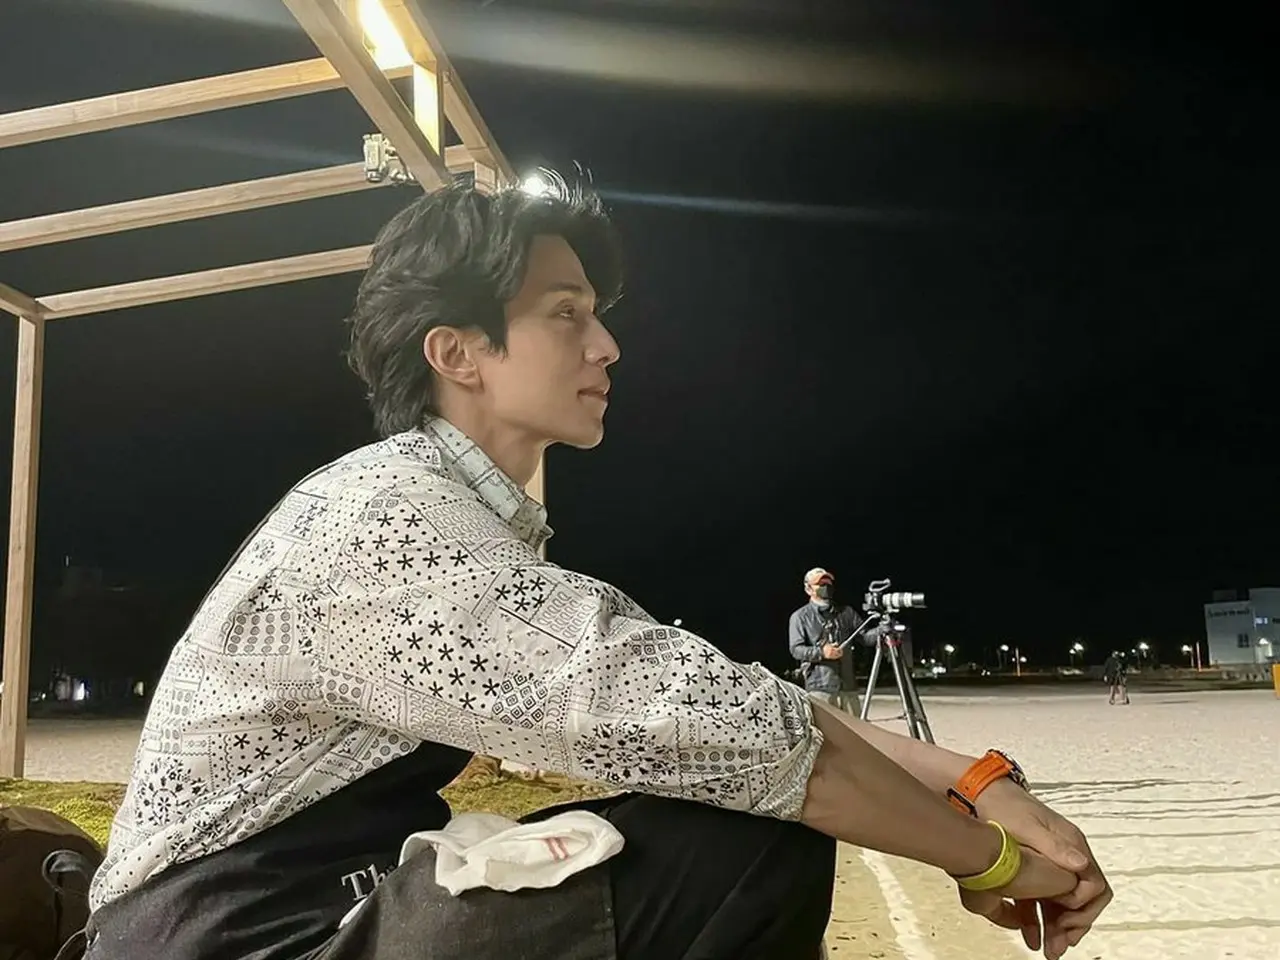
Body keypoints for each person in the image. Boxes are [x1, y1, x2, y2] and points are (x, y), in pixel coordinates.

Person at [78, 177, 1111, 960]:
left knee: (741, 811)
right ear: (457, 353)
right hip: (231, 935)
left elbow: (709, 695)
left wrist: (974, 779)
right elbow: (729, 735)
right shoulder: (383, 526)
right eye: (565, 313)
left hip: (320, 905)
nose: (607, 345)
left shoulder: (451, 508)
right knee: (748, 840)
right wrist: (991, 859)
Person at [789, 568, 862, 711]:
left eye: (828, 583)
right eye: (821, 584)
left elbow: (864, 636)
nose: (826, 587)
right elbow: (796, 649)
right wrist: (822, 652)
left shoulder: (846, 613)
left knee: (854, 726)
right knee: (825, 726)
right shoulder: (800, 617)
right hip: (820, 688)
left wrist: (881, 630)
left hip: (848, 687)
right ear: (808, 589)